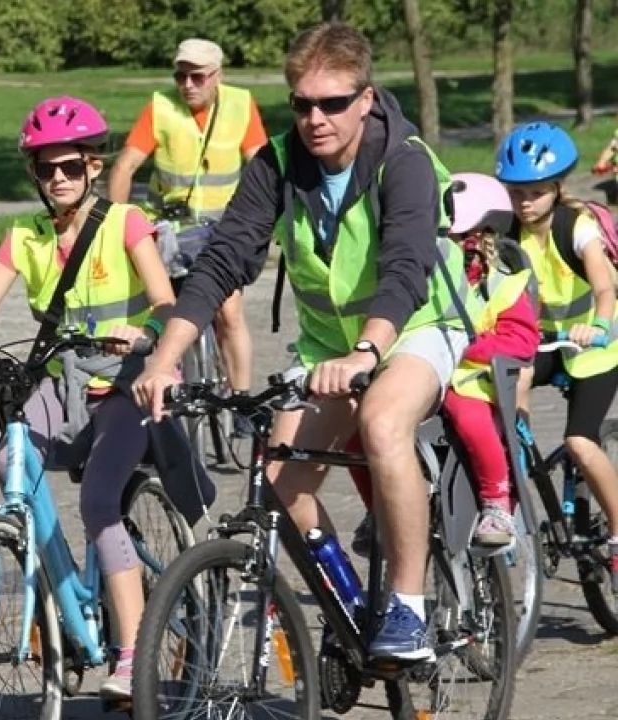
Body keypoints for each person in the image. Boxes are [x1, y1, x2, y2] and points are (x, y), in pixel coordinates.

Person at [132, 22, 474, 661]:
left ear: (365, 99)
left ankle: (407, 606)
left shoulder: (404, 161)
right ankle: (351, 606)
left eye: (333, 103)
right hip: (328, 345)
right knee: (279, 481)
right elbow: (222, 261)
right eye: (302, 104)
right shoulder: (278, 163)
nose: (315, 119)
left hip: (417, 325)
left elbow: (405, 268)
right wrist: (164, 359)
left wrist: (367, 353)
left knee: (382, 423)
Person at [0, 97, 175, 700]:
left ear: (94, 167)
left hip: (123, 385)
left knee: (99, 501)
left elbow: (165, 300)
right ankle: (62, 589)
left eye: (71, 166)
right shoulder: (24, 237)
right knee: (9, 458)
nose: (59, 178)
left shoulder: (125, 223)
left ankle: (132, 655)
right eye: (46, 169)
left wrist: (145, 334)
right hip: (62, 382)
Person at [344, 173, 538, 553]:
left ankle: (496, 502)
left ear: (483, 237)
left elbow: (521, 338)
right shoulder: (421, 277)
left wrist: (467, 347)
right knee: (356, 432)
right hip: (417, 369)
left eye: (457, 239)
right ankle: (379, 509)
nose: (446, 248)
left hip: (469, 378)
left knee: (470, 418)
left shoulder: (503, 285)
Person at [108, 38, 267, 435]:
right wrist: (114, 225)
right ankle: (167, 389)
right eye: (180, 76)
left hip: (225, 229)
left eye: (198, 77)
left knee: (229, 313)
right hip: (171, 228)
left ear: (218, 75)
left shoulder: (240, 104)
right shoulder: (161, 106)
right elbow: (125, 166)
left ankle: (242, 400)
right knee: (167, 309)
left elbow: (261, 166)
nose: (188, 85)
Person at [498, 121, 618, 586]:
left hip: (595, 345)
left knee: (581, 443)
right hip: (543, 339)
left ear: (557, 188)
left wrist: (599, 326)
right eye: (516, 193)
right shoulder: (507, 230)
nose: (525, 202)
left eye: (535, 192)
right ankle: (517, 454)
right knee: (514, 380)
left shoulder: (578, 227)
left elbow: (604, 287)